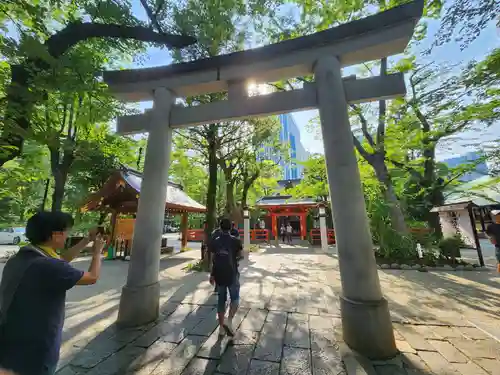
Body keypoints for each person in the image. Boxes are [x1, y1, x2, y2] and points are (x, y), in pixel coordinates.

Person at [0, 211, 106, 375]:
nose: (66, 236)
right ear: (56, 235)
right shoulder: (48, 266)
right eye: (66, 232)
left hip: (11, 338)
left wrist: (86, 241)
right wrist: (98, 252)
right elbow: (92, 277)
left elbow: (61, 261)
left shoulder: (22, 257)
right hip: (35, 346)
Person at [208, 218, 242, 337]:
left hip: (219, 274)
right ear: (231, 228)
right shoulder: (235, 241)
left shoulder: (215, 241)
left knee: (221, 300)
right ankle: (230, 320)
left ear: (220, 227)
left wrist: (212, 275)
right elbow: (240, 256)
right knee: (235, 299)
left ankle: (221, 328)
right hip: (232, 273)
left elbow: (213, 260)